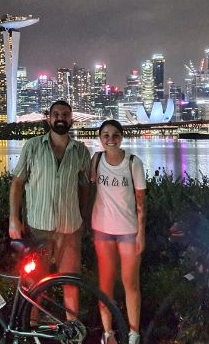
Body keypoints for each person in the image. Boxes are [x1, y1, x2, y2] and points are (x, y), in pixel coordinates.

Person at [9, 100, 91, 319]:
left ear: (71, 119)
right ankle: (32, 330)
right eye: (56, 114)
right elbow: (17, 183)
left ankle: (72, 330)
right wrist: (13, 219)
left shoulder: (81, 151)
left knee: (70, 282)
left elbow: (85, 185)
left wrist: (84, 217)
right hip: (38, 228)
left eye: (65, 114)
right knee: (35, 284)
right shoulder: (33, 146)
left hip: (70, 228)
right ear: (49, 118)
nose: (61, 118)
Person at [91, 119, 145, 344]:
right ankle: (108, 333)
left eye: (115, 135)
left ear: (122, 137)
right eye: (105, 135)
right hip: (101, 229)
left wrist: (141, 233)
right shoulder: (96, 160)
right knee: (105, 284)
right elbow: (88, 188)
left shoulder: (133, 162)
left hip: (128, 231)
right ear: (100, 138)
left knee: (130, 283)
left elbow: (141, 202)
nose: (110, 139)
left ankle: (133, 333)